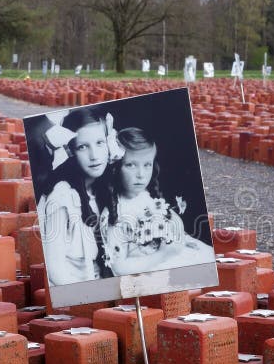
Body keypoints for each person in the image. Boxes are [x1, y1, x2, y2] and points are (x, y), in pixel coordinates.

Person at [100, 127, 214, 276]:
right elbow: (119, 267)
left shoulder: (146, 197)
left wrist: (178, 238)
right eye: (131, 165)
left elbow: (174, 220)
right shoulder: (116, 212)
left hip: (169, 255)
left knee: (208, 257)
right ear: (115, 168)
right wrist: (163, 254)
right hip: (148, 269)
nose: (141, 175)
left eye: (147, 165)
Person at [35, 106, 122, 285]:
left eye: (100, 143)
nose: (94, 155)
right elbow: (56, 271)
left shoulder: (102, 189)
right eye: (83, 147)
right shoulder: (63, 196)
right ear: (70, 151)